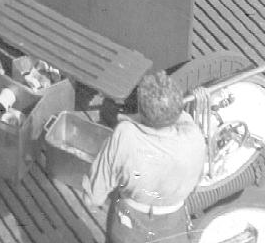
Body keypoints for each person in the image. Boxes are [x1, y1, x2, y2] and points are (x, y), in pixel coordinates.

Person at [82, 71, 206, 243]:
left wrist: (128, 119)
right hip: (174, 224)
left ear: (140, 109)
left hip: (129, 226)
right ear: (178, 109)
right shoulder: (195, 137)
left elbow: (92, 199)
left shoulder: (125, 135)